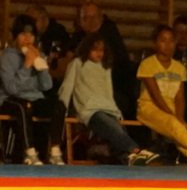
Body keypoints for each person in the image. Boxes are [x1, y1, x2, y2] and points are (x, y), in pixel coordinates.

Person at [59, 34, 158, 165]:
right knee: (111, 127)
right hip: (89, 110)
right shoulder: (77, 63)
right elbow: (67, 86)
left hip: (107, 108)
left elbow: (108, 92)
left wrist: (116, 111)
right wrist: (62, 107)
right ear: (87, 49)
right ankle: (136, 150)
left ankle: (129, 158)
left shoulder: (105, 67)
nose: (99, 53)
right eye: (95, 49)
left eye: (101, 50)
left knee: (117, 129)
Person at [137, 25, 187, 166]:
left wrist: (180, 116)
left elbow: (180, 97)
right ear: (155, 43)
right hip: (149, 107)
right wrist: (171, 115)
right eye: (163, 40)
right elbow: (155, 94)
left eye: (171, 41)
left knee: (178, 127)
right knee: (172, 124)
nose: (168, 45)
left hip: (171, 107)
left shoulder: (179, 67)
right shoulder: (147, 64)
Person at [0, 15, 66, 165]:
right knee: (24, 106)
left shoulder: (38, 53)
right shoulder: (6, 57)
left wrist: (40, 63)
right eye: (23, 34)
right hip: (10, 100)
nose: (27, 38)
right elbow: (11, 88)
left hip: (34, 97)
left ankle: (54, 151)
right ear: (15, 36)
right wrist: (26, 65)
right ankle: (29, 152)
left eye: (31, 35)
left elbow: (46, 86)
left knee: (59, 105)